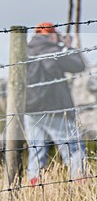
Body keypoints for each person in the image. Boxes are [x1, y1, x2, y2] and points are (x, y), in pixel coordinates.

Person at [24, 22, 87, 186]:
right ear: (52, 35)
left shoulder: (25, 52)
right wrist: (69, 46)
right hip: (56, 109)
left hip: (30, 110)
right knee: (73, 149)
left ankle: (33, 185)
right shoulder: (53, 51)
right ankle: (80, 184)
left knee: (36, 152)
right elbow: (79, 66)